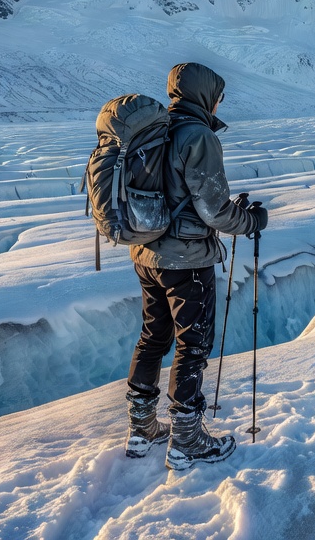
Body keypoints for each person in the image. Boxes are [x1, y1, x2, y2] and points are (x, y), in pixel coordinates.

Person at [123, 61, 268, 470]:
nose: (220, 106)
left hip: (146, 255)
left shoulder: (154, 131)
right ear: (205, 96)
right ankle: (186, 439)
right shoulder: (197, 136)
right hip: (186, 261)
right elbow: (216, 210)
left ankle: (141, 429)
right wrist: (252, 221)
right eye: (219, 98)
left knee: (153, 336)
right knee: (193, 344)